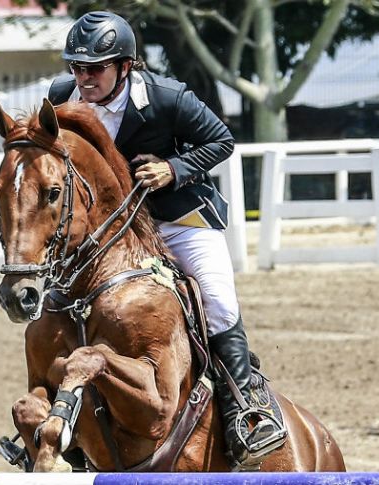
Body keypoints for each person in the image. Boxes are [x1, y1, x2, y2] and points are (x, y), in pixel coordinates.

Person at [48, 11, 285, 467]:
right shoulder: (63, 98)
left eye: (94, 68)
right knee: (59, 300)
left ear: (125, 66)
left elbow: (221, 140)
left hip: (178, 220)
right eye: (76, 67)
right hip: (113, 230)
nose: (83, 77)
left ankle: (243, 409)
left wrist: (173, 169)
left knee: (217, 300)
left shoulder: (167, 97)